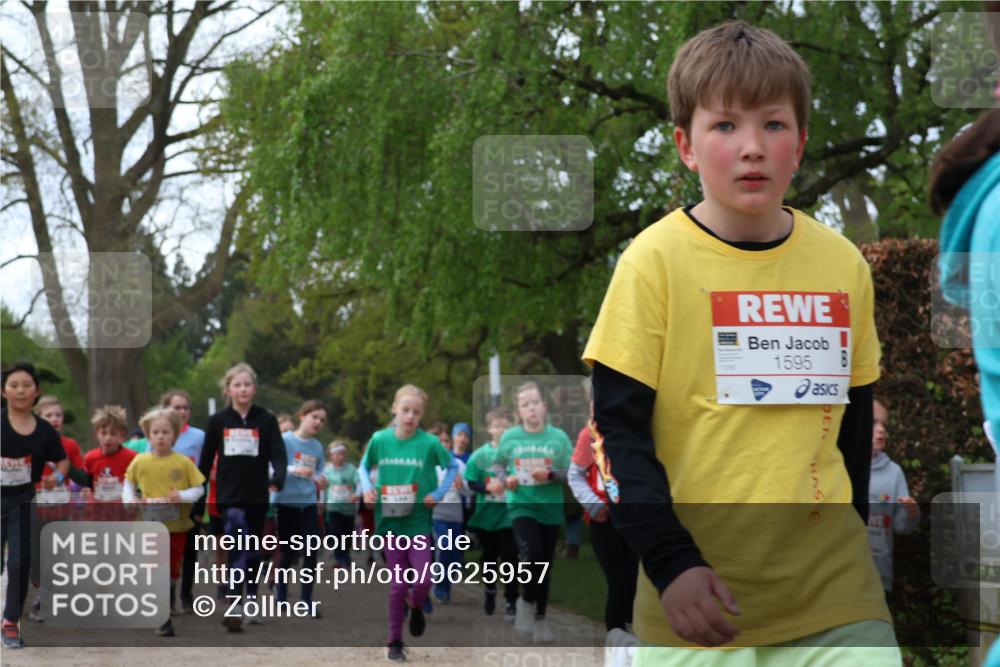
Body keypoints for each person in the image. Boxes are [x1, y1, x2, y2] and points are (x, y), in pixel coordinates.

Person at [583, 20, 899, 665]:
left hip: (834, 595)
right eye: (725, 125)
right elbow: (619, 435)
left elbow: (853, 424)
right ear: (686, 146)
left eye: (773, 125)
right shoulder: (652, 263)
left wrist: (855, 531)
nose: (752, 146)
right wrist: (671, 563)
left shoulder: (844, 266)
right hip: (695, 599)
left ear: (801, 144)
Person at [359, 384, 459, 662]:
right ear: (394, 409)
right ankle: (394, 639)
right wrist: (367, 487)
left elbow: (451, 467)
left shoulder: (428, 443)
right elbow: (363, 466)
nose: (410, 416)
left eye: (416, 412)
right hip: (390, 521)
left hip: (418, 521)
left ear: (422, 414)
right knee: (399, 584)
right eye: (405, 410)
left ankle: (415, 604)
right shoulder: (380, 439)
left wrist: (438, 493)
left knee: (424, 578)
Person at [198, 362, 286, 633]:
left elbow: (278, 454)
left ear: (254, 389)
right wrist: (198, 497)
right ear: (229, 390)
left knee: (251, 551)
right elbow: (205, 459)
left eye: (247, 384)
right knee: (237, 540)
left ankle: (250, 600)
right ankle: (236, 603)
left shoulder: (266, 420)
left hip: (257, 494)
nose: (243, 389)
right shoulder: (218, 421)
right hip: (228, 495)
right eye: (237, 384)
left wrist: (277, 478)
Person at [490, 380, 572, 644]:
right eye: (525, 404)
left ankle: (539, 618)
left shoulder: (558, 438)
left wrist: (549, 474)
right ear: (519, 411)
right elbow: (499, 465)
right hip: (520, 504)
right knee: (533, 554)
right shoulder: (511, 437)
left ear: (544, 407)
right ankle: (525, 604)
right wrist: (506, 480)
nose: (531, 408)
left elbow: (573, 472)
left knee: (544, 564)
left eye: (535, 402)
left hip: (548, 509)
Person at [1, 362, 67, 649]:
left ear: (36, 391)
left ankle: (10, 622)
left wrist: (57, 476)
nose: (20, 390)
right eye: (14, 385)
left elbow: (62, 459)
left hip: (23, 501)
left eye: (26, 385)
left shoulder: (44, 431)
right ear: (4, 391)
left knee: (19, 562)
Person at [124, 407, 206, 637]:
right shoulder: (140, 461)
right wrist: (130, 500)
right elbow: (128, 483)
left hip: (176, 527)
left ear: (175, 436)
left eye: (166, 432)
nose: (160, 436)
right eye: (156, 432)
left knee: (170, 571)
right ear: (148, 435)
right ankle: (161, 615)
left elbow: (199, 488)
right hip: (148, 526)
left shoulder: (183, 463)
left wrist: (181, 497)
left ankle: (165, 602)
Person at [569, 411, 639, 642]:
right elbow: (575, 476)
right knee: (617, 579)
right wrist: (593, 505)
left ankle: (632, 631)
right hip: (603, 518)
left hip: (633, 516)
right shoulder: (587, 436)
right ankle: (616, 635)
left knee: (635, 579)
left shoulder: (635, 428)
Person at [272, 400, 329, 615]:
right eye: (314, 417)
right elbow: (273, 467)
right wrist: (294, 469)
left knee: (311, 550)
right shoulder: (285, 440)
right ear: (302, 416)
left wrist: (321, 481)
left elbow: (320, 472)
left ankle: (306, 600)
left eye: (322, 420)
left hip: (307, 503)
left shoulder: (317, 447)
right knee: (288, 551)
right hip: (286, 502)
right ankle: (281, 594)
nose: (318, 422)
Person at [464, 406, 519, 620]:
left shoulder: (516, 454)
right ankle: (489, 589)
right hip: (487, 516)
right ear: (489, 429)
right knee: (489, 558)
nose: (502, 430)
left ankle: (511, 601)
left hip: (511, 515)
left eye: (506, 426)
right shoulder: (480, 455)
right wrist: (487, 487)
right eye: (497, 426)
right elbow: (470, 481)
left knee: (510, 558)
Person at [159, 389, 206, 614]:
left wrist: (200, 505)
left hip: (189, 501)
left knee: (189, 550)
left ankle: (186, 595)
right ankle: (166, 595)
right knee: (166, 550)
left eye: (185, 408)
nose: (182, 412)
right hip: (163, 503)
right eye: (177, 407)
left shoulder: (199, 436)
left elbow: (203, 472)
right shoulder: (158, 434)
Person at [867, 399, 919, 605]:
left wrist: (910, 513)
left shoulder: (893, 472)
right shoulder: (839, 469)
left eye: (884, 425)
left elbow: (901, 527)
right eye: (873, 423)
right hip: (842, 578)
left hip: (879, 579)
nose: (881, 431)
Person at [323, 441, 360, 567]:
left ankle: (346, 556)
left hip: (349, 507)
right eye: (338, 454)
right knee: (336, 532)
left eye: (343, 454)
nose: (341, 457)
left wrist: (357, 494)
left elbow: (359, 483)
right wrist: (322, 501)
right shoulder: (327, 471)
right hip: (333, 505)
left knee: (347, 534)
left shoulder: (351, 469)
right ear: (331, 455)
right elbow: (323, 487)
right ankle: (340, 558)